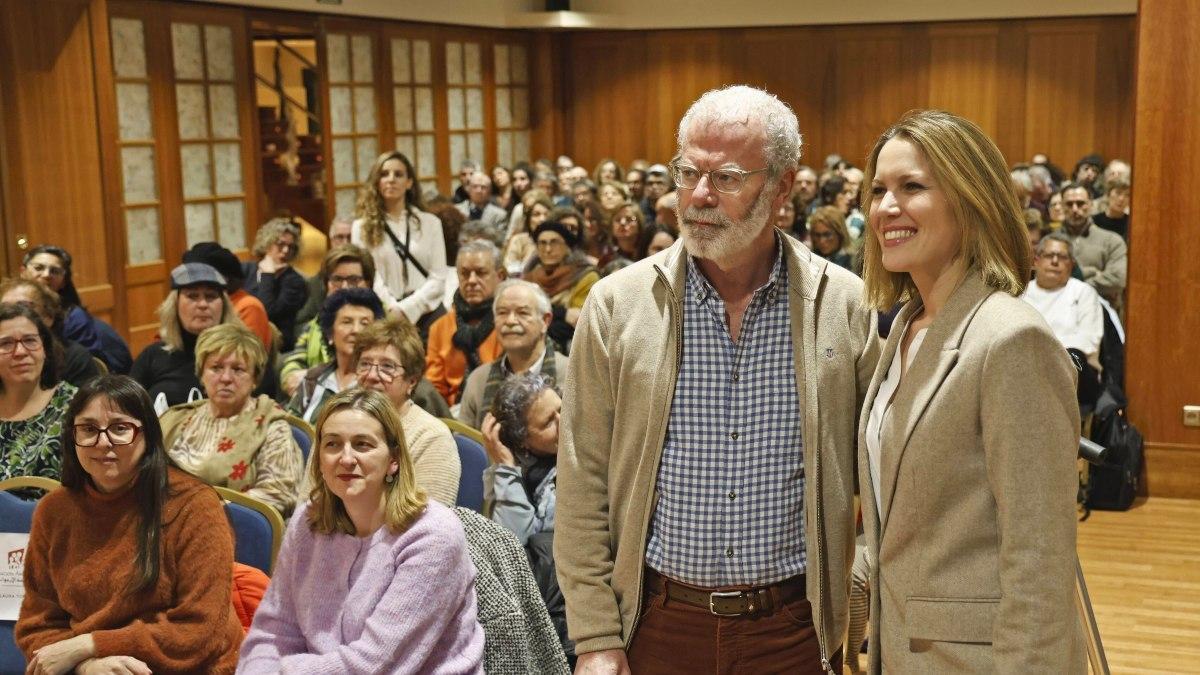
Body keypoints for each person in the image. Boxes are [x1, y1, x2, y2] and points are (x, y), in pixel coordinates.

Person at [556, 86, 878, 674]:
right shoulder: (616, 305)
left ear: (782, 187)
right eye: (688, 172)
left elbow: (883, 474)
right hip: (656, 622)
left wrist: (856, 581)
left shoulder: (843, 305)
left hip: (793, 629)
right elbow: (582, 481)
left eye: (727, 177)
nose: (699, 196)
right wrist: (596, 636)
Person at [858, 109, 1084, 671]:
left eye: (912, 187)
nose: (886, 208)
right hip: (901, 650)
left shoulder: (1012, 338)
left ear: (970, 199)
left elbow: (1039, 554)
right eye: (878, 189)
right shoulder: (903, 326)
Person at [237, 388, 484, 672]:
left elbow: (374, 664)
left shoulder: (433, 536)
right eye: (332, 444)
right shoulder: (307, 523)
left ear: (394, 459)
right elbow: (272, 632)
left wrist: (284, 671)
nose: (346, 458)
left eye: (362, 444)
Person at [16, 374, 243, 672]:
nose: (103, 442)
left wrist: (89, 645)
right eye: (88, 429)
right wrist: (87, 666)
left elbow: (200, 629)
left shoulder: (195, 505)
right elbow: (37, 624)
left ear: (147, 434)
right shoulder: (54, 511)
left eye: (120, 428)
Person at [158, 324, 303, 516]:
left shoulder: (271, 426)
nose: (226, 378)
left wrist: (203, 512)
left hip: (230, 529)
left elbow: (280, 493)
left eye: (238, 369)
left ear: (255, 379)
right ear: (201, 374)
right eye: (216, 368)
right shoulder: (176, 418)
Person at [481, 372, 572, 660]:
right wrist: (505, 468)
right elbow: (509, 547)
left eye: (562, 409)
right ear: (523, 444)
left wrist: (506, 472)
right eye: (548, 422)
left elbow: (527, 543)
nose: (563, 421)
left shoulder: (575, 464)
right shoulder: (523, 469)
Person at [354, 316, 461, 506]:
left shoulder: (431, 437)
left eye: (387, 366)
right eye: (365, 364)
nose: (371, 376)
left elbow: (430, 526)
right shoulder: (337, 423)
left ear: (411, 381)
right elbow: (308, 507)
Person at [352, 151, 449, 333]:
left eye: (398, 174)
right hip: (383, 313)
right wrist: (391, 308)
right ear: (376, 182)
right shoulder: (361, 227)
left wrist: (406, 309)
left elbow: (439, 277)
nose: (391, 179)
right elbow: (367, 275)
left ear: (409, 182)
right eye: (384, 174)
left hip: (427, 313)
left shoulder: (430, 223)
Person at [131, 263, 246, 411]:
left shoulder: (245, 355)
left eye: (211, 296)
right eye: (193, 296)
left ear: (224, 305)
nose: (203, 304)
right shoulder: (153, 355)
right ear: (175, 304)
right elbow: (126, 409)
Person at [458, 280, 568, 430]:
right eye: (502, 313)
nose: (510, 321)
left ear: (545, 321)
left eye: (522, 312)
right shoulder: (478, 380)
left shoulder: (572, 375)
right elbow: (465, 446)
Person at [279, 245, 375, 397]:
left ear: (368, 283)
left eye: (354, 279)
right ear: (326, 285)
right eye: (337, 279)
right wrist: (292, 377)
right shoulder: (315, 325)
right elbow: (294, 362)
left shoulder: (383, 322)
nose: (345, 287)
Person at [20, 245, 132, 374]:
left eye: (55, 271)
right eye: (39, 268)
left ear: (63, 281)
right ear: (23, 271)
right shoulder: (13, 305)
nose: (46, 275)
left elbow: (89, 367)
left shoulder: (75, 318)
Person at [1021, 231, 1105, 396]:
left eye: (1062, 257)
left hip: (1074, 372)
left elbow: (1088, 340)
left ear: (1072, 265)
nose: (1054, 261)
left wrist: (1048, 355)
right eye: (1049, 255)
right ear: (1036, 261)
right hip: (1025, 368)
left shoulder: (1084, 292)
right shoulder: (1021, 294)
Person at [0, 303, 76, 482]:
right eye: (6, 343)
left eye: (29, 340)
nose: (20, 352)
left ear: (45, 349)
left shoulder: (76, 406)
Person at [287, 288, 384, 425]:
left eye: (364, 323)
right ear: (330, 334)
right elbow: (291, 425)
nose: (355, 330)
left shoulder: (378, 382)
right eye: (347, 322)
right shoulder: (313, 378)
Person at [425, 240, 505, 406]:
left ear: (500, 276)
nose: (472, 280)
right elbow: (435, 387)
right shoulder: (439, 328)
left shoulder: (509, 322)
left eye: (481, 273)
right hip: (452, 416)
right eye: (465, 273)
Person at [0, 278, 100, 388]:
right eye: (6, 308)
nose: (14, 315)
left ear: (48, 316)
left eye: (23, 306)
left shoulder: (74, 357)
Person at [524, 221, 599, 351]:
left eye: (554, 242)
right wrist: (562, 313)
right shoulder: (529, 279)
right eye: (542, 243)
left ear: (567, 247)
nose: (548, 249)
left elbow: (576, 325)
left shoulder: (585, 276)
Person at [183, 242, 272, 349]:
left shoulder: (248, 306)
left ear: (225, 278)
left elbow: (246, 357)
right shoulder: (184, 302)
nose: (202, 304)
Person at [1059, 182, 1128, 310]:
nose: (1075, 209)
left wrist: (1075, 288)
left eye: (1080, 203)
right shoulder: (1051, 241)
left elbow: (1118, 279)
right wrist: (1091, 273)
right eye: (1069, 204)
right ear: (1062, 207)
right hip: (1058, 312)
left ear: (1090, 205)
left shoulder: (1112, 240)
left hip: (1100, 312)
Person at [243, 218, 308, 350]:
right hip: (244, 338)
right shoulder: (247, 270)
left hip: (276, 345)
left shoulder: (294, 282)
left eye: (291, 247)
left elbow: (267, 312)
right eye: (280, 244)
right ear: (267, 244)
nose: (285, 251)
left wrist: (267, 275)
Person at [807, 205, 855, 270]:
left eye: (827, 235)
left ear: (840, 234)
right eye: (817, 235)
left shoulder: (854, 262)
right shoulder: (808, 259)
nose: (822, 241)